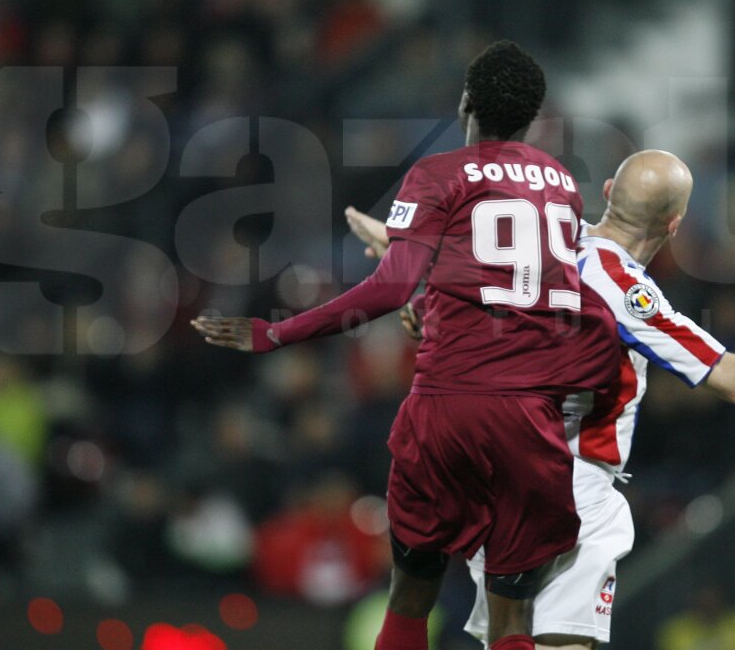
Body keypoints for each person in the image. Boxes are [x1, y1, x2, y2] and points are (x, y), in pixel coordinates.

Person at [347, 149, 735, 649]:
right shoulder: (623, 289)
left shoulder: (538, 241)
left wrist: (400, 258)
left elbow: (456, 267)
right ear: (675, 224)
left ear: (605, 193)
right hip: (572, 488)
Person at [192, 40, 621, 650]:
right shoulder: (561, 187)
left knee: (410, 595)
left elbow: (390, 288)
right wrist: (436, 307)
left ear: (466, 101)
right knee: (512, 620)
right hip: (530, 416)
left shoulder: (438, 174)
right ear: (530, 119)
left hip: (445, 410)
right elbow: (538, 297)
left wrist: (278, 333)